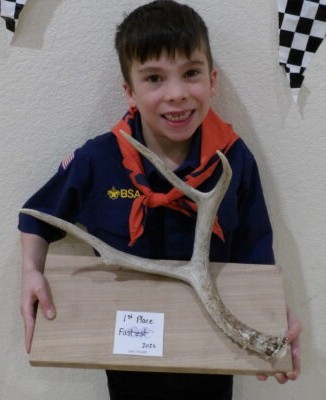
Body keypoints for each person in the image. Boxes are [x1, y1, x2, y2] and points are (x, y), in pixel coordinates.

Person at [18, 1, 301, 399]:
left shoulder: (234, 162)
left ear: (212, 80)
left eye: (191, 73)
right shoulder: (98, 160)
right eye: (154, 78)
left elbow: (255, 255)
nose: (177, 94)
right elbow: (36, 218)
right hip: (128, 348)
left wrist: (270, 323)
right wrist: (31, 271)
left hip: (210, 349)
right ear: (129, 92)